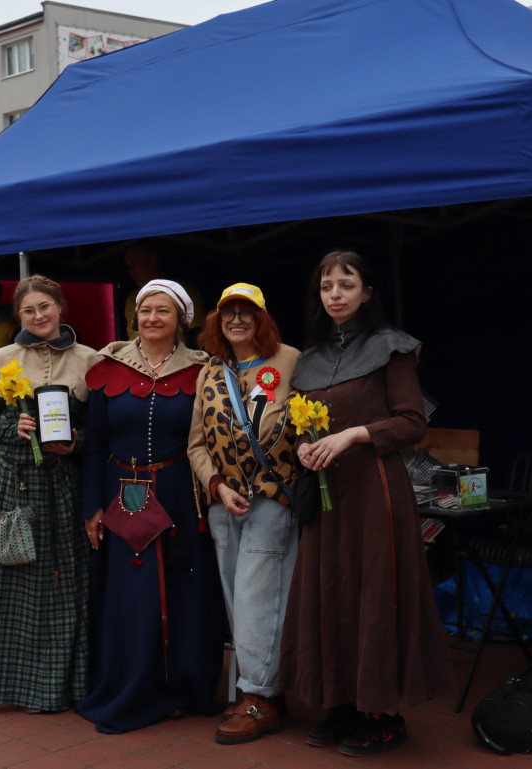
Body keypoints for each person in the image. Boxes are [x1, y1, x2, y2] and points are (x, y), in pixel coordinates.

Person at [278, 249, 449, 757]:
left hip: (375, 491)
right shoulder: (307, 359)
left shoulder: (390, 348)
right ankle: (344, 705)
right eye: (327, 285)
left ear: (366, 292)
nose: (335, 294)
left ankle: (384, 714)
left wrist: (355, 434)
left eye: (346, 284)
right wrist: (304, 443)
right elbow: (301, 424)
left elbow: (413, 422)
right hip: (328, 499)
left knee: (374, 593)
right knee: (331, 591)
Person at [77, 279, 226, 733]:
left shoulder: (204, 369)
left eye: (163, 310)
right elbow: (95, 441)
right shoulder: (108, 367)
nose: (152, 318)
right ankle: (131, 685)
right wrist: (91, 507)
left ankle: (180, 685)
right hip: (121, 490)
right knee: (131, 595)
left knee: (185, 590)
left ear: (182, 318)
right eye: (145, 310)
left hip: (180, 491)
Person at [0, 275, 98, 713]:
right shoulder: (3, 359)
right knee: (15, 585)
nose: (39, 316)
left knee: (67, 586)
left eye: (45, 306)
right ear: (18, 315)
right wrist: (14, 428)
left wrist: (75, 442)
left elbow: (100, 433)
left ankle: (65, 687)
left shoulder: (89, 360)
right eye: (29, 310)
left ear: (61, 308)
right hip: (16, 486)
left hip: (65, 486)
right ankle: (16, 687)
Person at [188, 283, 300, 744]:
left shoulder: (292, 360)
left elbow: (312, 421)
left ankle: (258, 699)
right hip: (224, 504)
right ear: (217, 321)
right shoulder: (211, 371)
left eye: (246, 312)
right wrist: (214, 483)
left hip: (272, 499)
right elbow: (195, 443)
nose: (237, 320)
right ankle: (266, 687)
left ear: (262, 318)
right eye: (228, 313)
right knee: (240, 603)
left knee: (259, 600)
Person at [122, 243, 204, 343]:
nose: (131, 272)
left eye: (134, 264)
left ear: (152, 260)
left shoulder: (181, 291)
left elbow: (196, 336)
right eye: (145, 311)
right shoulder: (133, 298)